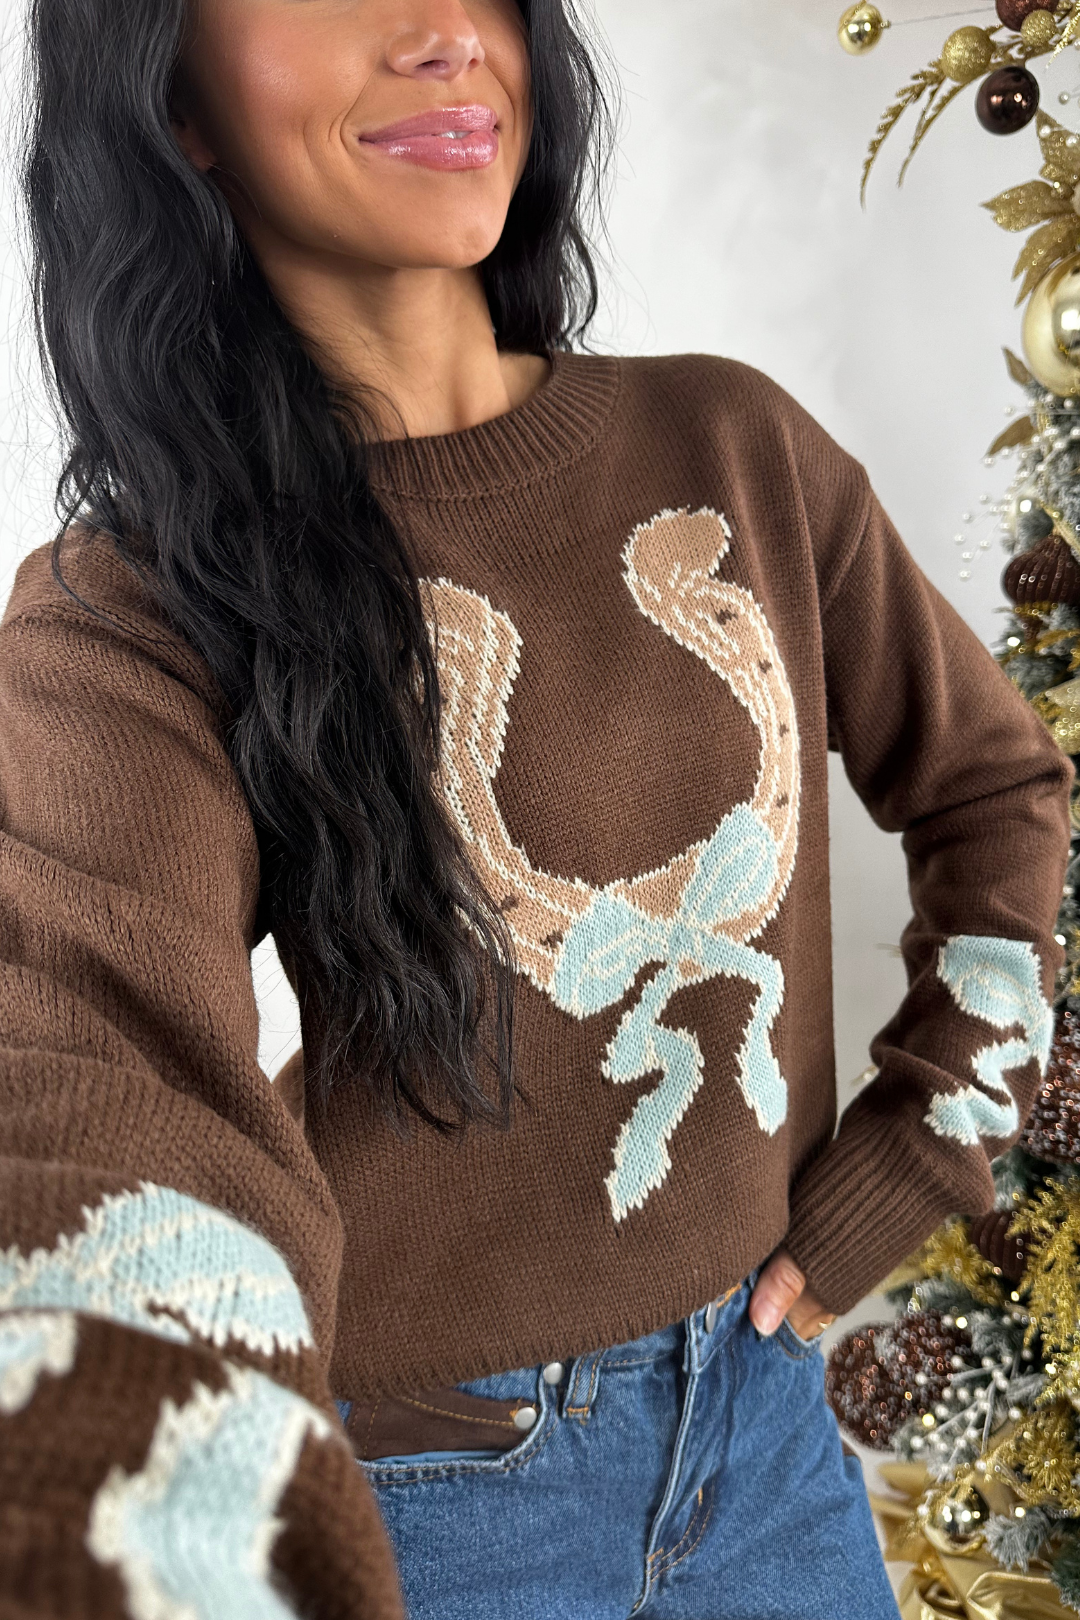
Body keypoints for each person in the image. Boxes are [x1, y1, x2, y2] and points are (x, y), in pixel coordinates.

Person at [0, 0, 1071, 1615]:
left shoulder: (731, 443)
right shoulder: (126, 620)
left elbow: (996, 784)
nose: (441, 30)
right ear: (175, 100)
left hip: (766, 1433)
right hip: (417, 1499)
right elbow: (89, 1060)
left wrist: (931, 1137)